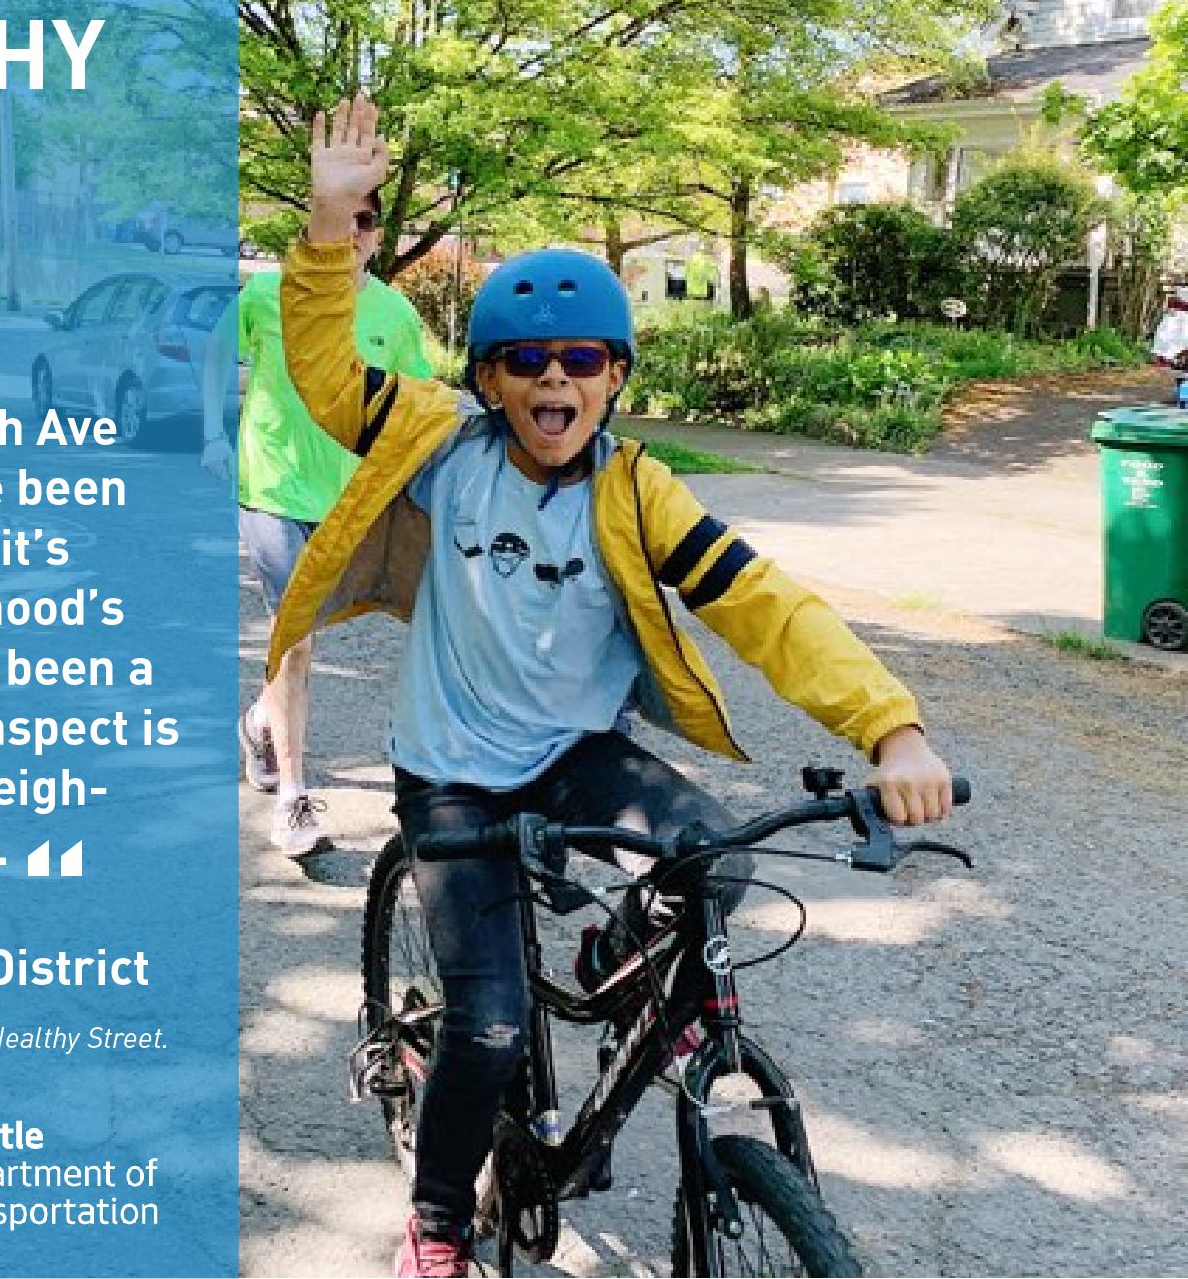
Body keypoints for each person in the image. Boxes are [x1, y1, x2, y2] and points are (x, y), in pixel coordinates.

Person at [272, 97, 957, 1278]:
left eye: (579, 359)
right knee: (486, 1026)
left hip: (573, 753)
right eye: (524, 361)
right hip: (449, 770)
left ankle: (605, 966)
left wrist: (892, 728)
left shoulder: (640, 494)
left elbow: (764, 604)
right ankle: (436, 1222)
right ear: (487, 378)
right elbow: (331, 374)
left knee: (718, 862)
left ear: (614, 377)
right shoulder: (438, 447)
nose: (553, 378)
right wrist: (333, 225)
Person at [202, 190, 434, 857]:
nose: (352, 232)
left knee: (309, 638)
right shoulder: (269, 294)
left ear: (377, 234)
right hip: (271, 489)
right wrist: (212, 433)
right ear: (316, 225)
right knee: (296, 641)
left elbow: (414, 407)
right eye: (340, 218)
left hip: (347, 504)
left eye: (366, 221)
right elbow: (217, 347)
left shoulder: (394, 313)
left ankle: (256, 727)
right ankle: (293, 799)